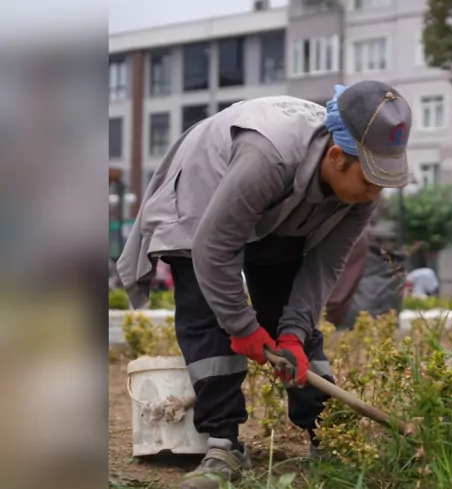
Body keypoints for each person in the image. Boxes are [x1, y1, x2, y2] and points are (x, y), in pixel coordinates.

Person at [116, 81, 412, 489]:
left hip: (280, 204)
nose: (375, 193)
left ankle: (327, 434)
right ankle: (223, 444)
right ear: (337, 157)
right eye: (370, 180)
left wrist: (290, 334)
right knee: (207, 315)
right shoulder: (268, 159)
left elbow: (322, 271)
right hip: (204, 194)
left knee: (295, 320)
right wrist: (242, 327)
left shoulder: (360, 195)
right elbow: (213, 249)